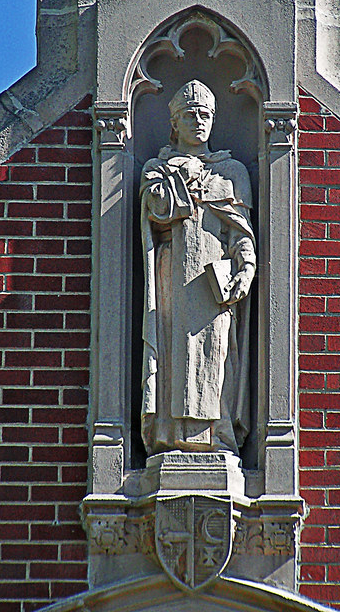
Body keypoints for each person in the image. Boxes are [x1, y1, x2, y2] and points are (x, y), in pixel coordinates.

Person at [140, 80, 256, 456]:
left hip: (215, 278)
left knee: (217, 350)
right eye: (190, 115)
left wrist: (246, 267)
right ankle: (171, 435)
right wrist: (179, 184)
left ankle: (218, 435)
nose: (199, 121)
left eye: (205, 115)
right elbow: (156, 213)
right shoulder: (158, 168)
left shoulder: (231, 171)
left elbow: (240, 232)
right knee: (174, 348)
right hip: (173, 270)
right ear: (175, 123)